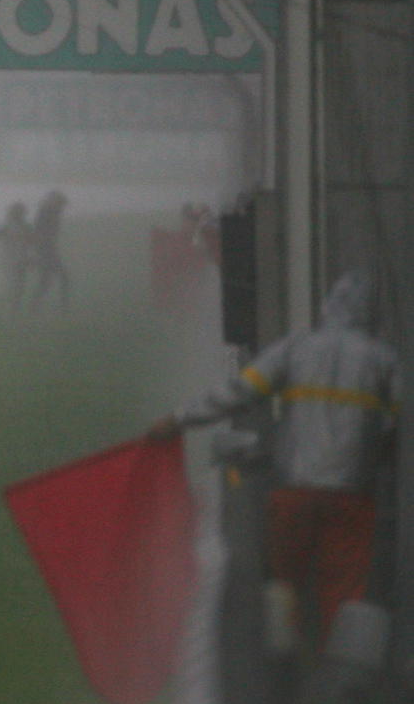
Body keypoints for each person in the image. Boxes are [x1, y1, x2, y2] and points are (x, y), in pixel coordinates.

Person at [148, 271, 401, 658]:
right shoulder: (384, 360)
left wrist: (179, 419)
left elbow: (238, 391)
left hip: (293, 490)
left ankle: (279, 668)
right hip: (354, 496)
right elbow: (395, 428)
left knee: (283, 581)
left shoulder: (296, 348)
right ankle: (345, 683)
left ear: (327, 306)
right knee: (346, 590)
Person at [29, 190, 69, 311]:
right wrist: (40, 252)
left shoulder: (48, 212)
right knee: (61, 277)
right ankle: (63, 307)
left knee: (47, 279)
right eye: (60, 204)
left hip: (47, 249)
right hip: (46, 250)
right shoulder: (46, 213)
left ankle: (34, 306)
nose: (62, 208)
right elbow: (40, 233)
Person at [0, 201, 33, 310]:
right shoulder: (6, 226)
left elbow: (30, 242)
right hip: (9, 259)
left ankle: (13, 307)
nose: (21, 214)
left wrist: (30, 258)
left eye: (22, 212)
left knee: (20, 285)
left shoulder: (25, 226)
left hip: (21, 259)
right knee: (13, 284)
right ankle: (10, 306)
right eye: (19, 212)